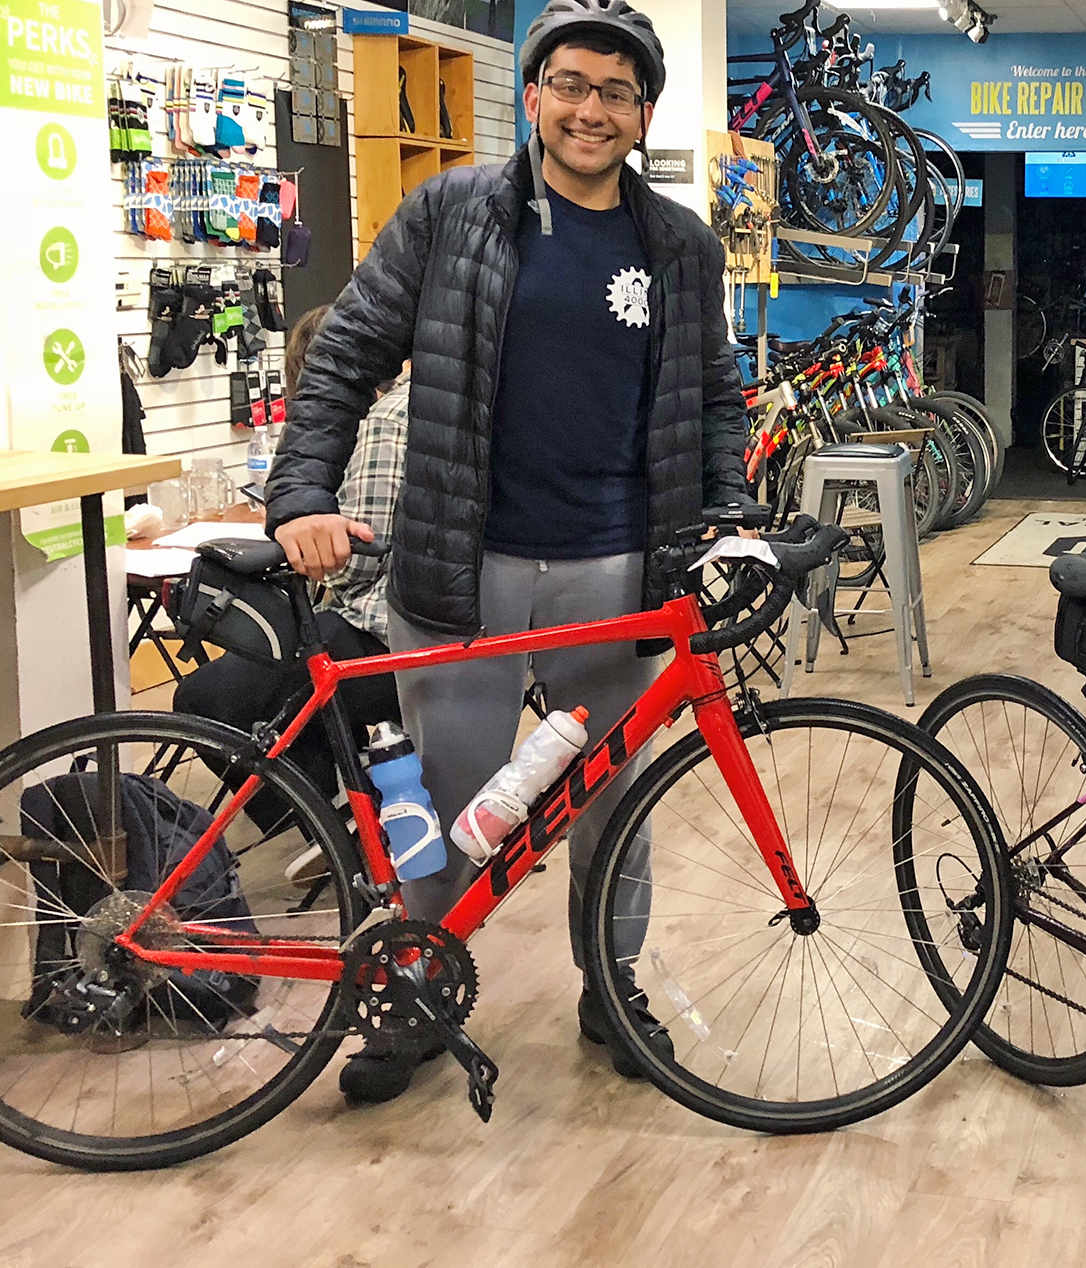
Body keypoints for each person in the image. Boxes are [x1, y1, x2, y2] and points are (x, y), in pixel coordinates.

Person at [263, 0, 752, 1105]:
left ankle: (612, 994)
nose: (590, 109)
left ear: (643, 114)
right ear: (532, 95)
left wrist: (727, 514)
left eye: (616, 92)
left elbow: (715, 395)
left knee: (614, 801)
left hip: (619, 572)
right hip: (459, 566)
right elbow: (345, 353)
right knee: (439, 802)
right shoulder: (448, 214)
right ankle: (422, 994)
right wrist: (300, 490)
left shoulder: (679, 245)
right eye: (570, 84)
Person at [172, 306, 405, 836]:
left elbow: (349, 568)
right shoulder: (416, 409)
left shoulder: (383, 423)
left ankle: (319, 829)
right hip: (444, 635)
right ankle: (339, 820)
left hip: (384, 638)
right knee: (278, 675)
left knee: (206, 697)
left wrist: (301, 537)